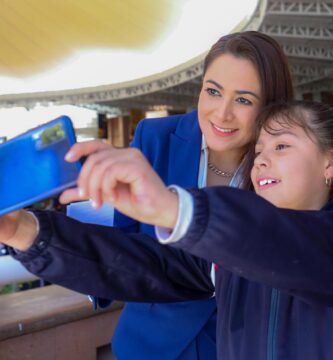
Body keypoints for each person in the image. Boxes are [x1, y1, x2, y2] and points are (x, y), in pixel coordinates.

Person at [2, 100, 333, 360]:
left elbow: (302, 248)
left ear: (332, 162)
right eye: (259, 149)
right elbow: (137, 266)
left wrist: (172, 206)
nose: (262, 159)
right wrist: (24, 232)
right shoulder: (229, 259)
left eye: (282, 146)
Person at [72, 30, 295, 359]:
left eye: (244, 100)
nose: (222, 113)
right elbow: (125, 245)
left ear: (270, 106)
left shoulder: (286, 162)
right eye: (213, 92)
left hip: (244, 346)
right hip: (150, 345)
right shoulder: (155, 139)